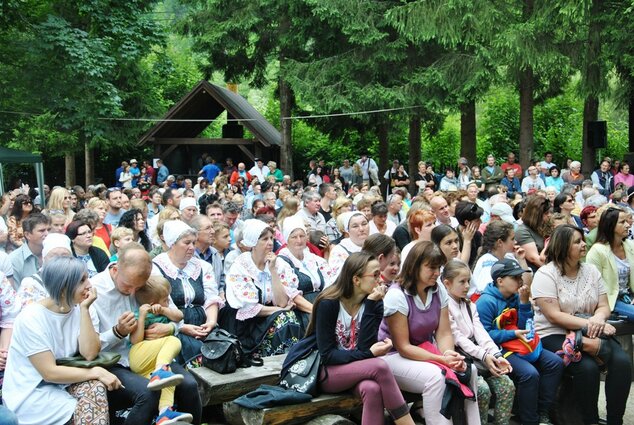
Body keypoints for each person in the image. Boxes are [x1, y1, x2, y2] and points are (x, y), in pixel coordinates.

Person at [89, 243, 202, 424]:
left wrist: (170, 328)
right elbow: (89, 349)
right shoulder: (95, 290)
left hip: (154, 356)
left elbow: (176, 317)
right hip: (116, 360)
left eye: (139, 288)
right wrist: (117, 332)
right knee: (148, 393)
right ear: (116, 269)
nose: (132, 293)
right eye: (128, 286)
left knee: (189, 386)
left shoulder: (152, 278)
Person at [533, 225, 631, 425]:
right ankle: (590, 421)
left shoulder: (591, 271)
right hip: (554, 333)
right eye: (577, 242)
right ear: (562, 247)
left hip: (591, 328)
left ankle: (615, 420)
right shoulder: (545, 274)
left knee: (622, 363)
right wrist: (593, 324)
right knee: (587, 368)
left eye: (582, 240)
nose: (583, 245)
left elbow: (603, 305)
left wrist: (598, 318)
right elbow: (554, 316)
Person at [303, 252, 416, 425]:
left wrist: (370, 304)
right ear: (356, 280)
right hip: (327, 372)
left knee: (372, 389)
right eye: (375, 275)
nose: (381, 280)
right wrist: (368, 354)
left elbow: (365, 348)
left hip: (357, 369)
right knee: (380, 366)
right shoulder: (329, 303)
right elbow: (328, 355)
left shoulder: (374, 303)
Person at [3, 257, 120, 424]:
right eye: (81, 280)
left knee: (96, 389)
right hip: (33, 391)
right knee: (90, 399)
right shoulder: (31, 318)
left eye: (87, 277)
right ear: (64, 287)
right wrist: (96, 371)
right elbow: (49, 372)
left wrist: (85, 309)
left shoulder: (81, 307)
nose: (89, 284)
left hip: (62, 383)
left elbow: (89, 354)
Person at [378, 241, 480, 424]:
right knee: (436, 378)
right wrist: (442, 360)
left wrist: (449, 354)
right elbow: (403, 347)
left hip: (425, 351)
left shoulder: (438, 289)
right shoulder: (397, 295)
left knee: (469, 370)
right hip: (391, 356)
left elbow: (444, 333)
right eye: (431, 268)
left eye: (438, 267)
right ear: (415, 266)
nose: (437, 273)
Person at [476, 258, 564, 425]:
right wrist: (512, 334)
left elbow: (525, 327)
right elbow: (484, 335)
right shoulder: (485, 302)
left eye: (520, 277)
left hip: (521, 344)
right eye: (515, 278)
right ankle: (529, 420)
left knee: (555, 363)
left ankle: (543, 412)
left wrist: (524, 303)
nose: (520, 281)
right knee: (529, 374)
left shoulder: (516, 296)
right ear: (500, 281)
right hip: (499, 349)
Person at [442, 260, 515, 425]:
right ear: (447, 283)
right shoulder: (443, 307)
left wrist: (495, 354)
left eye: (468, 280)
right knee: (482, 391)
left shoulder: (469, 305)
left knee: (507, 386)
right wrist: (484, 356)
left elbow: (481, 333)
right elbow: (457, 338)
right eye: (462, 282)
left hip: (478, 356)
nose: (467, 285)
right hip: (461, 360)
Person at [223, 219, 302, 360]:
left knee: (288, 318)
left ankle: (286, 363)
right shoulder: (241, 266)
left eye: (271, 238)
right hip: (246, 325)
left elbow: (282, 302)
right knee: (285, 317)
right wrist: (280, 310)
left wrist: (273, 271)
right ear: (253, 243)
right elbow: (249, 308)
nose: (270, 243)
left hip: (268, 320)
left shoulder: (278, 264)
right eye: (264, 239)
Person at [152, 220, 224, 364]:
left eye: (193, 242)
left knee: (223, 349)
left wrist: (211, 322)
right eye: (187, 243)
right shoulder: (156, 267)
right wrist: (183, 327)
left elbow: (211, 297)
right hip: (176, 327)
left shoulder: (202, 266)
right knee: (198, 353)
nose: (192, 247)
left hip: (203, 325)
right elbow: (165, 305)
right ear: (172, 243)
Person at [129, 276, 193, 424]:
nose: (168, 302)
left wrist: (164, 309)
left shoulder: (164, 311)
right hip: (139, 355)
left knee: (169, 380)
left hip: (153, 359)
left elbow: (179, 316)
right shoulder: (140, 314)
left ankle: (165, 413)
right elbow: (135, 341)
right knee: (173, 340)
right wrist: (142, 317)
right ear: (152, 303)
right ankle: (160, 371)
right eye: (165, 300)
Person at [276, 216, 335, 331]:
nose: (299, 240)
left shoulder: (313, 258)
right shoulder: (282, 262)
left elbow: (330, 280)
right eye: (294, 237)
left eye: (302, 236)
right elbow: (293, 296)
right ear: (287, 239)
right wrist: (317, 311)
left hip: (323, 303)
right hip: (303, 310)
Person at [586, 207, 634, 321]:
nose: (628, 225)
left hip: (630, 296)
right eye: (622, 222)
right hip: (610, 300)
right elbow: (593, 285)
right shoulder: (597, 251)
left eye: (627, 221)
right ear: (610, 226)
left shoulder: (630, 246)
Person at [472, 221, 531, 301]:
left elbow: (525, 286)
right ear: (500, 242)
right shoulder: (487, 262)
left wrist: (521, 259)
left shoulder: (509, 256)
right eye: (512, 239)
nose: (515, 242)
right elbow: (485, 294)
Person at [9, 213, 50, 286]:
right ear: (27, 235)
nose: (47, 233)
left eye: (48, 229)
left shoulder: (57, 253)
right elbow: (15, 293)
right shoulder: (14, 259)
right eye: (42, 231)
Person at [515, 196, 551, 271]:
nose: (549, 215)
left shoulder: (543, 226)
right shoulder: (522, 231)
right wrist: (557, 273)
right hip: (537, 272)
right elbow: (534, 259)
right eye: (546, 213)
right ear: (537, 215)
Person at [329, 212, 370, 279]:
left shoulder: (376, 244)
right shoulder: (339, 251)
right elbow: (338, 279)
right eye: (355, 226)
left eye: (364, 224)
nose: (361, 229)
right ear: (347, 230)